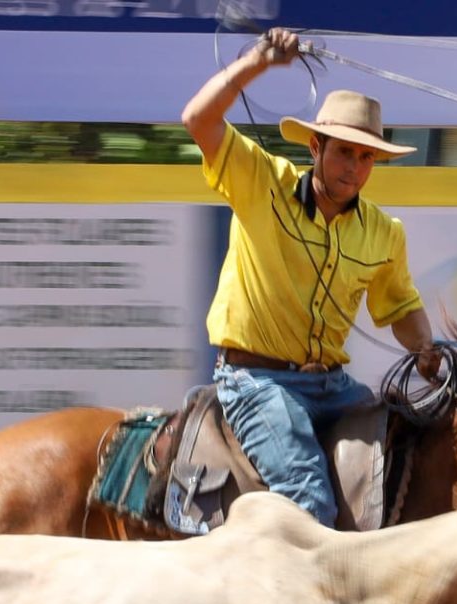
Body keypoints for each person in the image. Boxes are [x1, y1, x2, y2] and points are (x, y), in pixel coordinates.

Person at [181, 27, 441, 529]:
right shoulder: (262, 183)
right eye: (344, 151)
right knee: (310, 502)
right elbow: (198, 119)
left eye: (367, 156)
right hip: (255, 380)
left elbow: (401, 307)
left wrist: (427, 349)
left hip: (333, 385)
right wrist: (259, 60)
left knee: (410, 453)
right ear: (316, 147)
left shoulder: (384, 233)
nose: (356, 167)